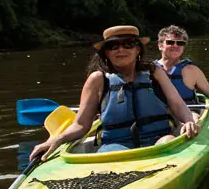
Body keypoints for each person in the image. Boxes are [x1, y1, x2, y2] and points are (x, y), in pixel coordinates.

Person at [29, 25, 200, 160]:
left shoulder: (155, 72)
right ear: (106, 52)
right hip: (116, 146)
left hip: (159, 141)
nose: (121, 50)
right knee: (107, 157)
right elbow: (81, 125)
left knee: (168, 141)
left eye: (128, 44)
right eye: (113, 46)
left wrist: (187, 120)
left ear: (138, 49)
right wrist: (55, 140)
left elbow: (177, 103)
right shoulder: (97, 79)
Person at [154, 25, 209, 104]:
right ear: (160, 45)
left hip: (189, 112)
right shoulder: (149, 70)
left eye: (180, 43)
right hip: (159, 112)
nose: (175, 45)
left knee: (194, 116)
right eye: (170, 42)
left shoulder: (192, 70)